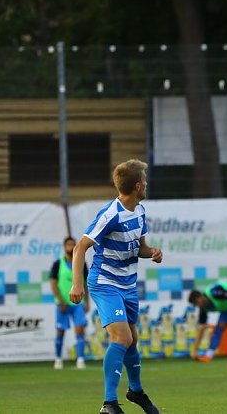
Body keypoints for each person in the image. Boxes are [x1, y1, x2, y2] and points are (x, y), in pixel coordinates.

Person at [70, 159, 163, 414]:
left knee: (132, 340)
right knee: (122, 337)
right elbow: (80, 247)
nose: (146, 183)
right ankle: (108, 404)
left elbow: (140, 248)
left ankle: (136, 391)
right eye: (144, 179)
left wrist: (151, 251)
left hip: (128, 284)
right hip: (104, 282)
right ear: (137, 185)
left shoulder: (140, 211)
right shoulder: (111, 214)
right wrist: (77, 283)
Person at [51, 236, 90, 369]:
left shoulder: (81, 263)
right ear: (64, 247)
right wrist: (61, 301)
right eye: (68, 244)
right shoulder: (58, 264)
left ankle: (80, 360)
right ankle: (58, 359)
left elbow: (85, 283)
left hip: (78, 303)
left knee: (80, 330)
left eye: (73, 244)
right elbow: (53, 283)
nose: (71, 247)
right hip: (63, 304)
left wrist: (87, 301)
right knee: (60, 331)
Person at [188, 280, 227, 362]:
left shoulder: (215, 292)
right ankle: (208, 356)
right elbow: (201, 329)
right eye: (195, 305)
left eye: (197, 303)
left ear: (201, 297)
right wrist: (194, 351)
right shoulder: (203, 308)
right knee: (218, 329)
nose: (198, 306)